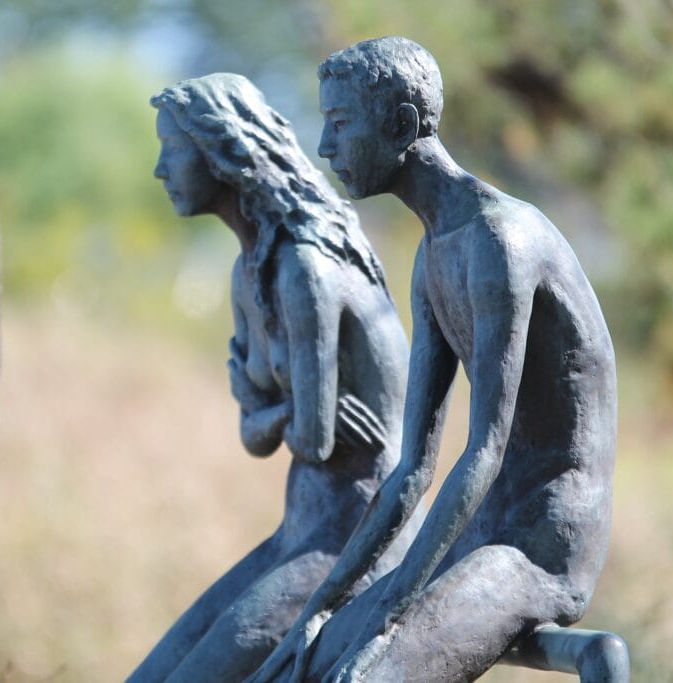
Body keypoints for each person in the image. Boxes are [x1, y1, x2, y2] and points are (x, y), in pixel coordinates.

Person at [249, 37, 620, 682]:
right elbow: (413, 469)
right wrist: (323, 607)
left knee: (363, 675)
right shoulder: (432, 259)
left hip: (544, 542)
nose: (325, 148)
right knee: (301, 663)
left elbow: (486, 451)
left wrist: (393, 612)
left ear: (401, 124)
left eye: (340, 124)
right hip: (483, 529)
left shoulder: (499, 242)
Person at [127, 73, 426, 683]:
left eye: (172, 150)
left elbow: (310, 443)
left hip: (358, 539)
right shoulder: (248, 273)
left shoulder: (304, 269)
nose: (160, 170)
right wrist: (287, 415)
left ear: (224, 153)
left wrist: (274, 412)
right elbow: (260, 435)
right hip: (299, 529)